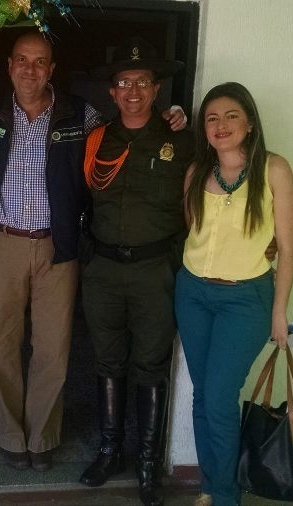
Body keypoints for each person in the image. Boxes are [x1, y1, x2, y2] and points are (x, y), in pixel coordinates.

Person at [0, 32, 186, 472]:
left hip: (59, 244)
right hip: (3, 242)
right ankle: (11, 435)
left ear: (52, 69)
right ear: (10, 65)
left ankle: (42, 436)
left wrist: (172, 115)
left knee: (52, 346)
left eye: (40, 62)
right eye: (22, 60)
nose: (30, 70)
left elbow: (126, 129)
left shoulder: (79, 114)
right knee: (1, 345)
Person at [77, 37, 193, 506]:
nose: (133, 91)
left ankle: (148, 461)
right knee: (107, 361)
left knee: (150, 364)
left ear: (156, 88)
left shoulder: (181, 139)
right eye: (124, 83)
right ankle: (110, 451)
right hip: (103, 269)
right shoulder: (96, 140)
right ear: (112, 91)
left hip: (155, 271)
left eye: (142, 82)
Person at [175, 82, 293, 506]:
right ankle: (210, 487)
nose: (221, 125)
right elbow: (194, 231)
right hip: (192, 293)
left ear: (250, 123)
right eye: (212, 118)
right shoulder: (196, 172)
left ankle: (226, 496)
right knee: (203, 395)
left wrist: (279, 312)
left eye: (231, 116)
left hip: (245, 300)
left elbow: (288, 249)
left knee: (219, 397)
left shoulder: (274, 170)